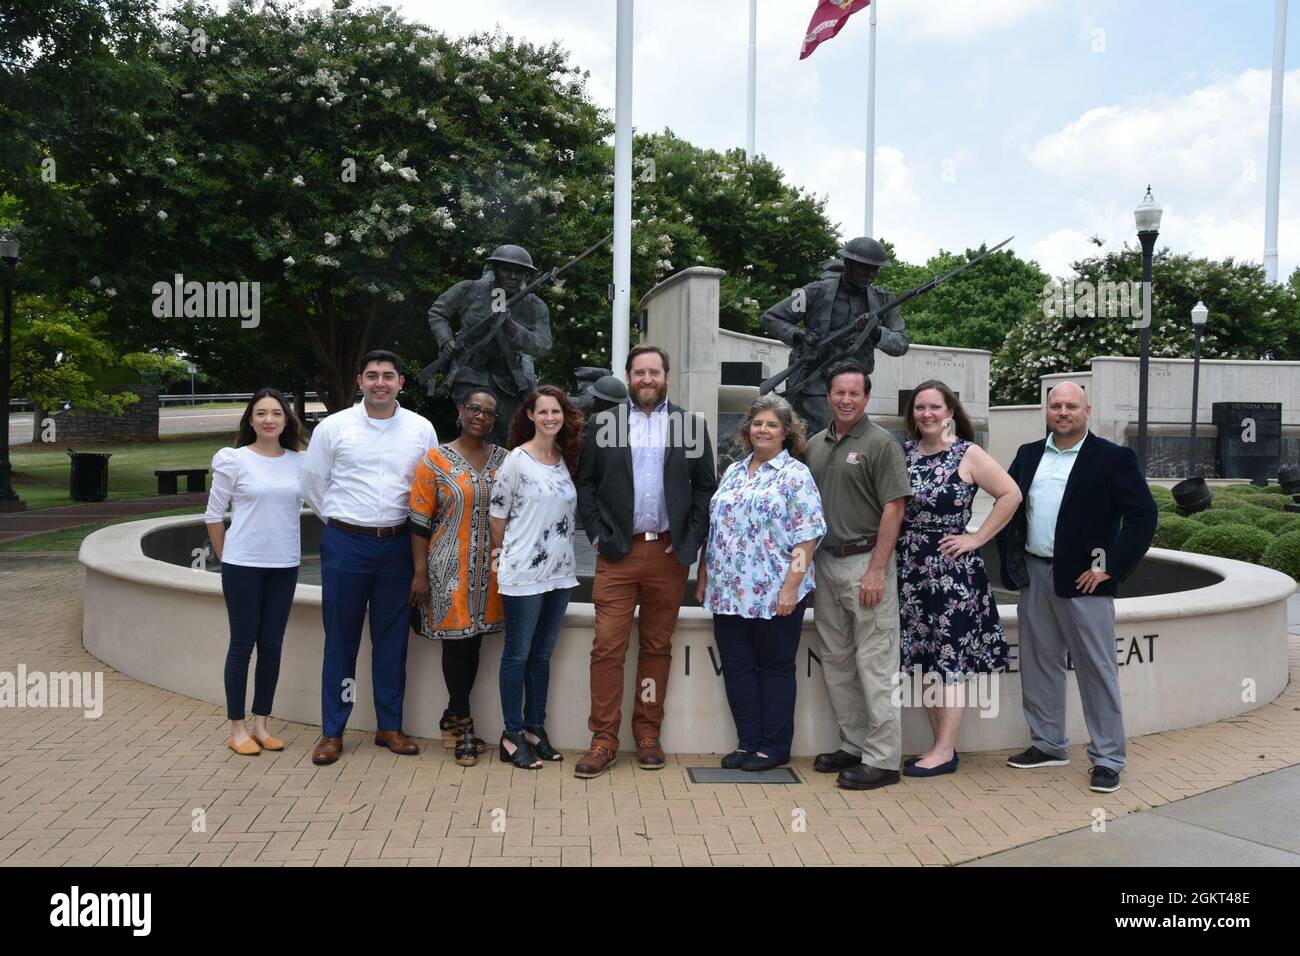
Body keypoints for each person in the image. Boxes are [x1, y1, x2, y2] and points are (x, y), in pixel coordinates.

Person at [997, 381, 1157, 793]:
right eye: (1055, 406)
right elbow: (1007, 505)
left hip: (1085, 582)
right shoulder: (1028, 454)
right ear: (1047, 411)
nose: (1063, 412)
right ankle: (1048, 744)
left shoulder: (1113, 459)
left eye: (1071, 405)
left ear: (1087, 411)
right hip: (1035, 575)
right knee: (1039, 665)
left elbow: (1142, 517)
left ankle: (1107, 758)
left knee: (1096, 670)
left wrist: (1111, 568)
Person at [574, 344, 718, 778]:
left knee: (656, 649)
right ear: (629, 376)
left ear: (666, 376)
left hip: (668, 556)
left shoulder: (690, 426)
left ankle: (648, 733)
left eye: (655, 372)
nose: (647, 379)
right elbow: (587, 485)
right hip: (618, 554)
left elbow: (704, 489)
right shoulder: (604, 424)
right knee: (607, 649)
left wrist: (690, 542)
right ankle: (603, 738)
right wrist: (598, 535)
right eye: (639, 372)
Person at [301, 350, 439, 766]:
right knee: (340, 640)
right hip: (346, 543)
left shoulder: (421, 429)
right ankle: (332, 731)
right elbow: (313, 484)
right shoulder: (334, 428)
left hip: (398, 545)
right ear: (360, 381)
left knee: (392, 641)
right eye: (373, 376)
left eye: (389, 376)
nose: (381, 383)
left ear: (401, 383)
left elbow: (429, 488)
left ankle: (389, 727)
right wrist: (346, 523)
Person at [896, 381, 1021, 777]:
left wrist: (978, 538)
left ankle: (944, 750)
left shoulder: (968, 453)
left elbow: (1011, 494)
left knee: (949, 659)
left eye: (935, 407)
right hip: (910, 569)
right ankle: (940, 746)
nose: (927, 414)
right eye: (920, 408)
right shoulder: (904, 453)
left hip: (952, 570)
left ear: (950, 411)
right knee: (925, 657)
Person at [695, 395, 825, 771]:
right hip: (729, 591)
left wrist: (790, 587)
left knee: (775, 669)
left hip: (775, 593)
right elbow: (715, 527)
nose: (762, 430)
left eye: (771, 425)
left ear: (786, 432)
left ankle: (774, 745)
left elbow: (807, 536)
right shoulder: (734, 471)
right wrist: (704, 574)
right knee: (736, 669)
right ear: (747, 430)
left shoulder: (795, 475)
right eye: (757, 423)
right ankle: (747, 741)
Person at [803, 360, 913, 791]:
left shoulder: (881, 444)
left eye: (854, 393)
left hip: (866, 564)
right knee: (837, 660)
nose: (846, 399)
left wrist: (877, 570)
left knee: (876, 662)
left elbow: (895, 508)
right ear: (829, 396)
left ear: (866, 398)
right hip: (825, 564)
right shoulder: (816, 443)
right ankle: (852, 744)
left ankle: (884, 759)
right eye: (839, 392)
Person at [408, 388, 507, 767]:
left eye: (488, 412)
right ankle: (462, 723)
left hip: (492, 570)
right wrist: (419, 574)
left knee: (476, 641)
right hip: (449, 567)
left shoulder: (505, 460)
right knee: (457, 643)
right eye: (473, 409)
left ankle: (452, 716)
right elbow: (418, 521)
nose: (480, 416)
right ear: (460, 411)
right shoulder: (435, 460)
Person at [488, 385, 584, 769]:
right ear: (530, 415)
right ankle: (511, 734)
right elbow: (497, 516)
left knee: (542, 655)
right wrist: (503, 556)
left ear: (564, 416)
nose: (549, 418)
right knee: (518, 653)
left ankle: (534, 727)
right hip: (523, 573)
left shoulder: (565, 458)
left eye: (556, 412)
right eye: (542, 412)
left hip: (559, 574)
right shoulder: (516, 460)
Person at [205, 388, 304, 756]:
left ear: (286, 420)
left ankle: (262, 724)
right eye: (261, 413)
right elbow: (214, 514)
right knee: (242, 645)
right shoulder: (234, 460)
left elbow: (323, 504)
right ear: (250, 419)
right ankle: (237, 728)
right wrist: (227, 557)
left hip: (284, 564)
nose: (269, 420)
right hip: (242, 566)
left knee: (273, 646)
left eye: (276, 413)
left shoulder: (299, 463)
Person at [760, 237, 909, 436]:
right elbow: (771, 318)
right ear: (848, 264)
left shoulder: (883, 300)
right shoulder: (815, 292)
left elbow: (900, 344)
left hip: (853, 385)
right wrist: (799, 337)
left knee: (850, 439)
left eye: (875, 269)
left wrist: (876, 332)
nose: (870, 274)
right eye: (864, 268)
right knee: (820, 439)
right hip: (815, 382)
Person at [427, 245, 552, 444]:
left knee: (506, 438)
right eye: (506, 270)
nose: (513, 276)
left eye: (519, 272)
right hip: (470, 373)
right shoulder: (469, 289)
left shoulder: (534, 306)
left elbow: (543, 346)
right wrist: (445, 341)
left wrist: (512, 328)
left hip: (509, 381)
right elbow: (438, 313)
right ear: (495, 269)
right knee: (474, 431)